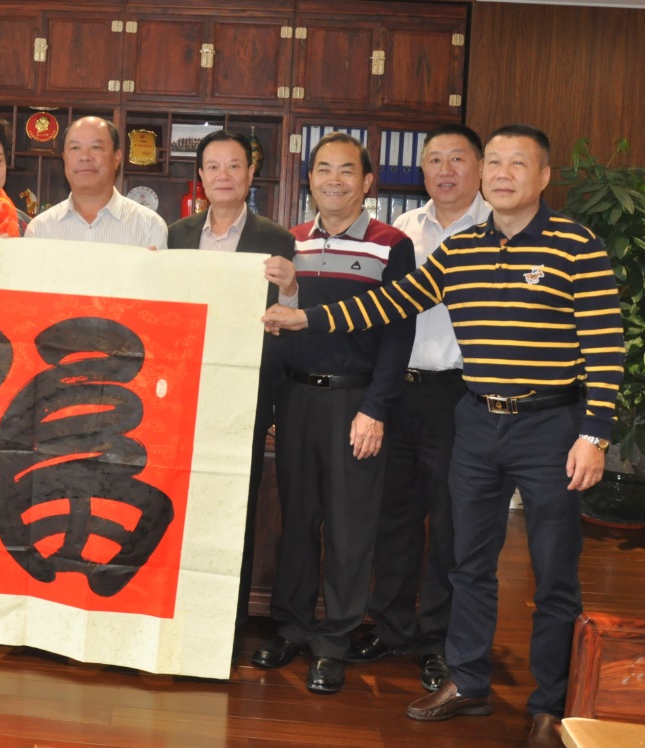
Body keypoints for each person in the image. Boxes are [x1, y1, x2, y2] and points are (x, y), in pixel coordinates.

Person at [262, 124, 623, 748]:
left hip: (550, 426)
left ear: (543, 177)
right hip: (476, 420)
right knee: (468, 564)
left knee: (553, 573)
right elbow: (388, 304)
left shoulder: (575, 243)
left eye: (517, 164)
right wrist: (306, 317)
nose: (503, 174)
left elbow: (605, 343)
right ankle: (469, 681)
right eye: (496, 163)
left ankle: (549, 704)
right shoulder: (461, 250)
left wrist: (595, 433)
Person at [249, 132, 416, 695]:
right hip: (297, 398)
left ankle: (334, 641)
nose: (334, 180)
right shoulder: (290, 242)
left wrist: (376, 409)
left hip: (355, 402)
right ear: (310, 180)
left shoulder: (391, 245)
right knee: (297, 520)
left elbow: (398, 335)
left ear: (367, 181)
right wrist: (276, 400)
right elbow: (277, 324)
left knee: (349, 526)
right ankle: (292, 627)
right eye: (323, 169)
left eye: (347, 170)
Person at [346, 125, 492, 692]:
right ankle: (391, 625)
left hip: (461, 394)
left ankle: (439, 640)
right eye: (434, 159)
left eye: (457, 159)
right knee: (395, 512)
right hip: (397, 391)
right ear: (421, 169)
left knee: (452, 521)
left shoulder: (496, 228)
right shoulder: (403, 230)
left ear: (479, 167)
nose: (444, 170)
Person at [165, 129, 296, 643]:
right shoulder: (177, 235)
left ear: (250, 175)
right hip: (185, 390)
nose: (224, 175)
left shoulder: (277, 239)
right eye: (214, 166)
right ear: (199, 176)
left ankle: (228, 621)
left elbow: (286, 317)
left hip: (246, 392)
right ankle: (179, 609)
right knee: (183, 499)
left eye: (234, 166)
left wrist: (290, 287)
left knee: (235, 503)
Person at [24, 116, 167, 249]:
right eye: (75, 148)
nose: (85, 157)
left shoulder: (149, 227)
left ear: (117, 158)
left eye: (96, 147)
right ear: (64, 158)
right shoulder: (40, 229)